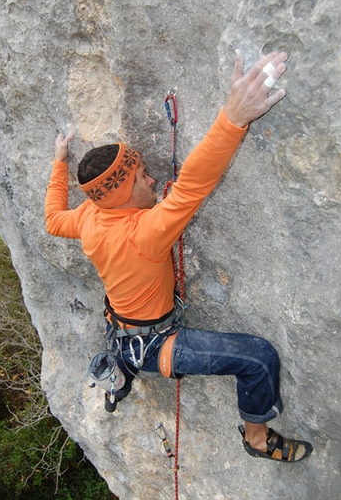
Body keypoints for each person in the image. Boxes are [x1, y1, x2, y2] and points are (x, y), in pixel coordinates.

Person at [45, 50, 313, 463]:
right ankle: (257, 440)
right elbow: (191, 186)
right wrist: (233, 117)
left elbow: (52, 219)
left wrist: (60, 162)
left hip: (119, 329)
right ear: (119, 196)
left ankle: (119, 381)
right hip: (156, 344)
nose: (152, 177)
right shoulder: (145, 232)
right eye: (141, 178)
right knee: (258, 359)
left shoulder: (87, 216)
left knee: (123, 365)